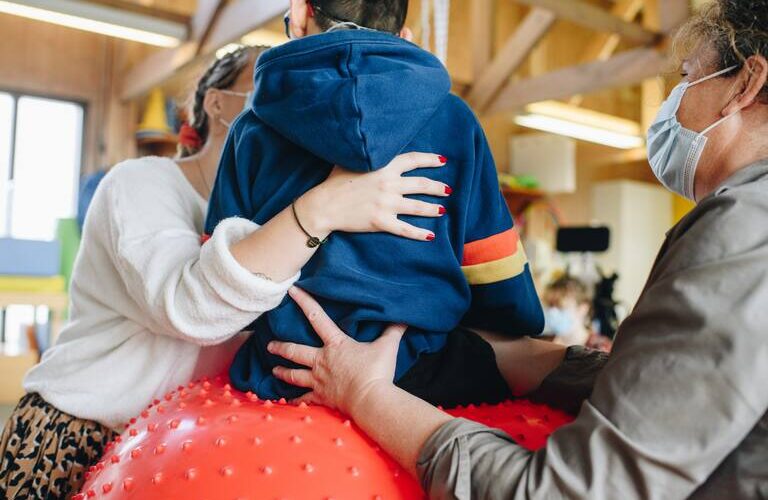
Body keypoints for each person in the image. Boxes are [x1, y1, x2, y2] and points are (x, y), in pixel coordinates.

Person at [268, 1, 768, 498]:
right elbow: (492, 251)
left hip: (286, 360)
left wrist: (367, 393)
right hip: (428, 356)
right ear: (404, 28)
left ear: (745, 84)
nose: (673, 101)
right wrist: (517, 329)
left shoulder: (263, 115)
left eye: (686, 76)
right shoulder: (452, 116)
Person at [0, 46, 448, 499]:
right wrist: (322, 208)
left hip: (175, 445)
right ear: (216, 104)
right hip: (79, 430)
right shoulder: (140, 184)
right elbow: (191, 310)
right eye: (268, 81)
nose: (293, 90)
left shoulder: (280, 212)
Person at [205, 0, 544, 404]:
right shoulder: (455, 120)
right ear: (403, 39)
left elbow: (218, 268)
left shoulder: (251, 128)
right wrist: (519, 320)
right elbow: (495, 271)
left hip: (279, 374)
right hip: (425, 378)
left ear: (299, 13)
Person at [541, 276, 592, 347]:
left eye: (560, 306)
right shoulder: (543, 344)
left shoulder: (601, 350)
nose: (552, 312)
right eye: (550, 305)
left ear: (583, 308)